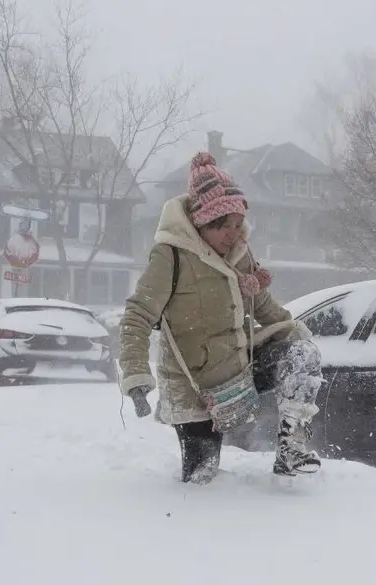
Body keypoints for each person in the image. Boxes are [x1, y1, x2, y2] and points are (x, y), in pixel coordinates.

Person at [118, 151, 324, 484]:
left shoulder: (240, 254)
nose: (233, 234)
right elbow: (137, 316)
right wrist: (136, 375)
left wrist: (302, 336)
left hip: (240, 368)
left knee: (301, 353)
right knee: (202, 477)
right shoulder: (170, 255)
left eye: (237, 224)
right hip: (194, 385)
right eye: (223, 226)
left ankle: (293, 449)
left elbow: (265, 308)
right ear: (201, 223)